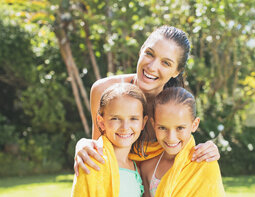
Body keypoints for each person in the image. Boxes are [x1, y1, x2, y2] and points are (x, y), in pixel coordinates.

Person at [74, 26, 220, 176]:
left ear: (176, 71)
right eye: (150, 54)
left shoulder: (175, 105)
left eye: (166, 63)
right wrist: (82, 144)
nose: (152, 67)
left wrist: (208, 148)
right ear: (141, 50)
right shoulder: (105, 90)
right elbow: (97, 151)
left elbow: (183, 149)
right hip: (117, 183)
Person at [141, 87, 235, 197]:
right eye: (162, 128)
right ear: (153, 124)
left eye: (180, 128)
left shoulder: (204, 162)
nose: (171, 138)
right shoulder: (148, 167)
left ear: (194, 124)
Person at [66, 83, 148, 197]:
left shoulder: (136, 167)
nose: (125, 127)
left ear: (143, 122)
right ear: (101, 122)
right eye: (115, 118)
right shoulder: (93, 161)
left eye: (133, 118)